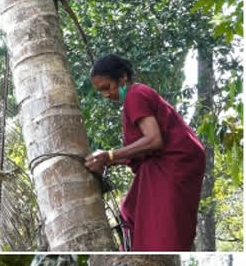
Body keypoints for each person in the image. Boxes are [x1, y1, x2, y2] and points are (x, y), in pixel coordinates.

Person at [84, 54, 205, 252]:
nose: (106, 95)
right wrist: (107, 160)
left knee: (163, 230)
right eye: (100, 91)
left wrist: (110, 155)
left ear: (122, 77)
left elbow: (154, 140)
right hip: (165, 164)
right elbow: (140, 150)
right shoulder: (136, 96)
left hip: (174, 163)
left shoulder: (136, 95)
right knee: (130, 211)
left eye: (107, 87)